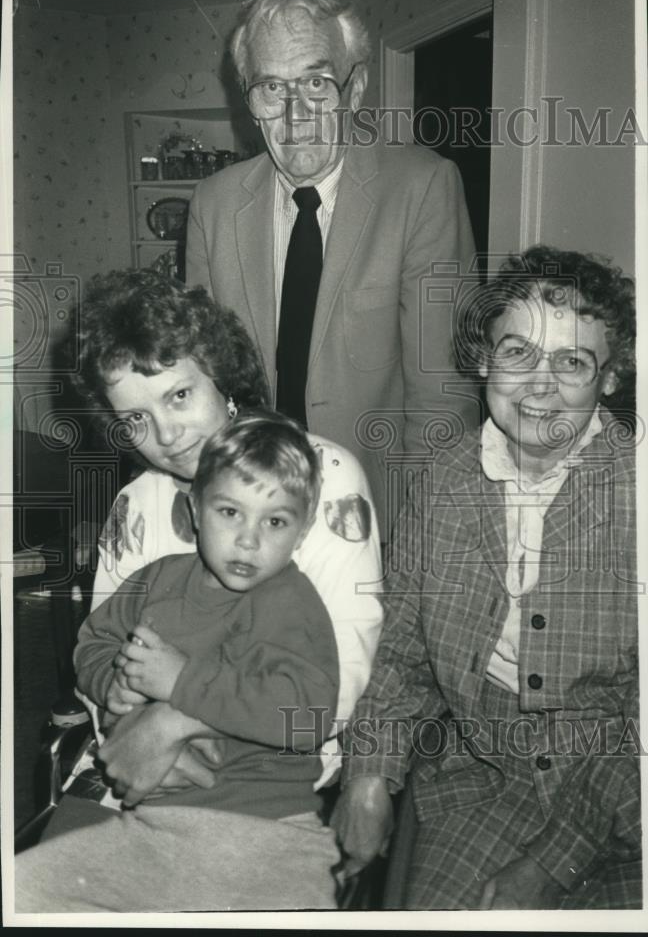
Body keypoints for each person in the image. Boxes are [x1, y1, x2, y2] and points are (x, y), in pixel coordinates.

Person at [332, 245, 640, 910]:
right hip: (485, 772)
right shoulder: (443, 481)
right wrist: (369, 777)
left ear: (609, 378)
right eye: (518, 352)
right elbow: (403, 650)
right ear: (482, 360)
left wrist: (550, 865)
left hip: (622, 788)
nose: (539, 384)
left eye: (572, 362)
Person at [69, 268, 382, 804]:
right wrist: (127, 716)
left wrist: (173, 723)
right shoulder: (136, 506)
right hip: (138, 758)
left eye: (180, 395)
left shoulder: (322, 478)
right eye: (136, 418)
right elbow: (103, 652)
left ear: (220, 376)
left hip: (274, 767)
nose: (167, 435)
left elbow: (343, 689)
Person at [16, 411, 343, 911]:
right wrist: (111, 683)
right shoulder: (157, 579)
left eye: (275, 521)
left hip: (266, 836)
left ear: (302, 532)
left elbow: (307, 717)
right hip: (152, 828)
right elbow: (94, 642)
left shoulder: (291, 604)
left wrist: (181, 681)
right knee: (22, 886)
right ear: (194, 509)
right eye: (229, 512)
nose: (249, 539)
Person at [185, 0, 476, 534]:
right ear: (249, 99)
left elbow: (442, 394)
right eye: (271, 88)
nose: (294, 115)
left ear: (357, 85)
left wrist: (423, 536)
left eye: (316, 83)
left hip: (376, 508)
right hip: (248, 512)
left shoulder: (422, 189)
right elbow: (203, 381)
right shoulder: (212, 204)